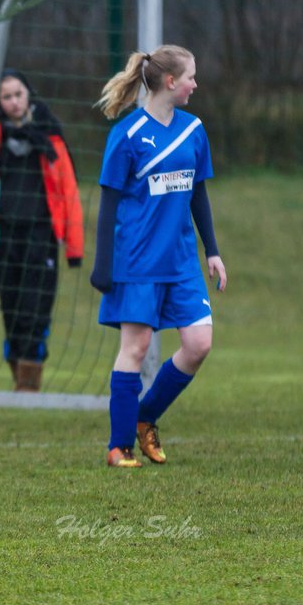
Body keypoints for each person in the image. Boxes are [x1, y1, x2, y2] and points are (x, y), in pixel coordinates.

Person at [90, 45, 227, 468]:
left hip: (181, 259)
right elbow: (109, 202)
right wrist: (103, 264)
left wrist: (213, 252)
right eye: (191, 77)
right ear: (171, 82)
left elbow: (198, 193)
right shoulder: (127, 136)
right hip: (138, 259)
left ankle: (145, 416)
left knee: (199, 344)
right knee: (136, 346)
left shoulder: (193, 129)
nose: (195, 85)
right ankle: (118, 447)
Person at [0, 68, 84, 392]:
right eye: (5, 97)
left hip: (42, 236)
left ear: (29, 95)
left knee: (34, 309)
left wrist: (74, 247)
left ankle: (29, 385)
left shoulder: (49, 132)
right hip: (4, 236)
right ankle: (20, 379)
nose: (13, 102)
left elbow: (69, 188)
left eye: (17, 94)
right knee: (11, 309)